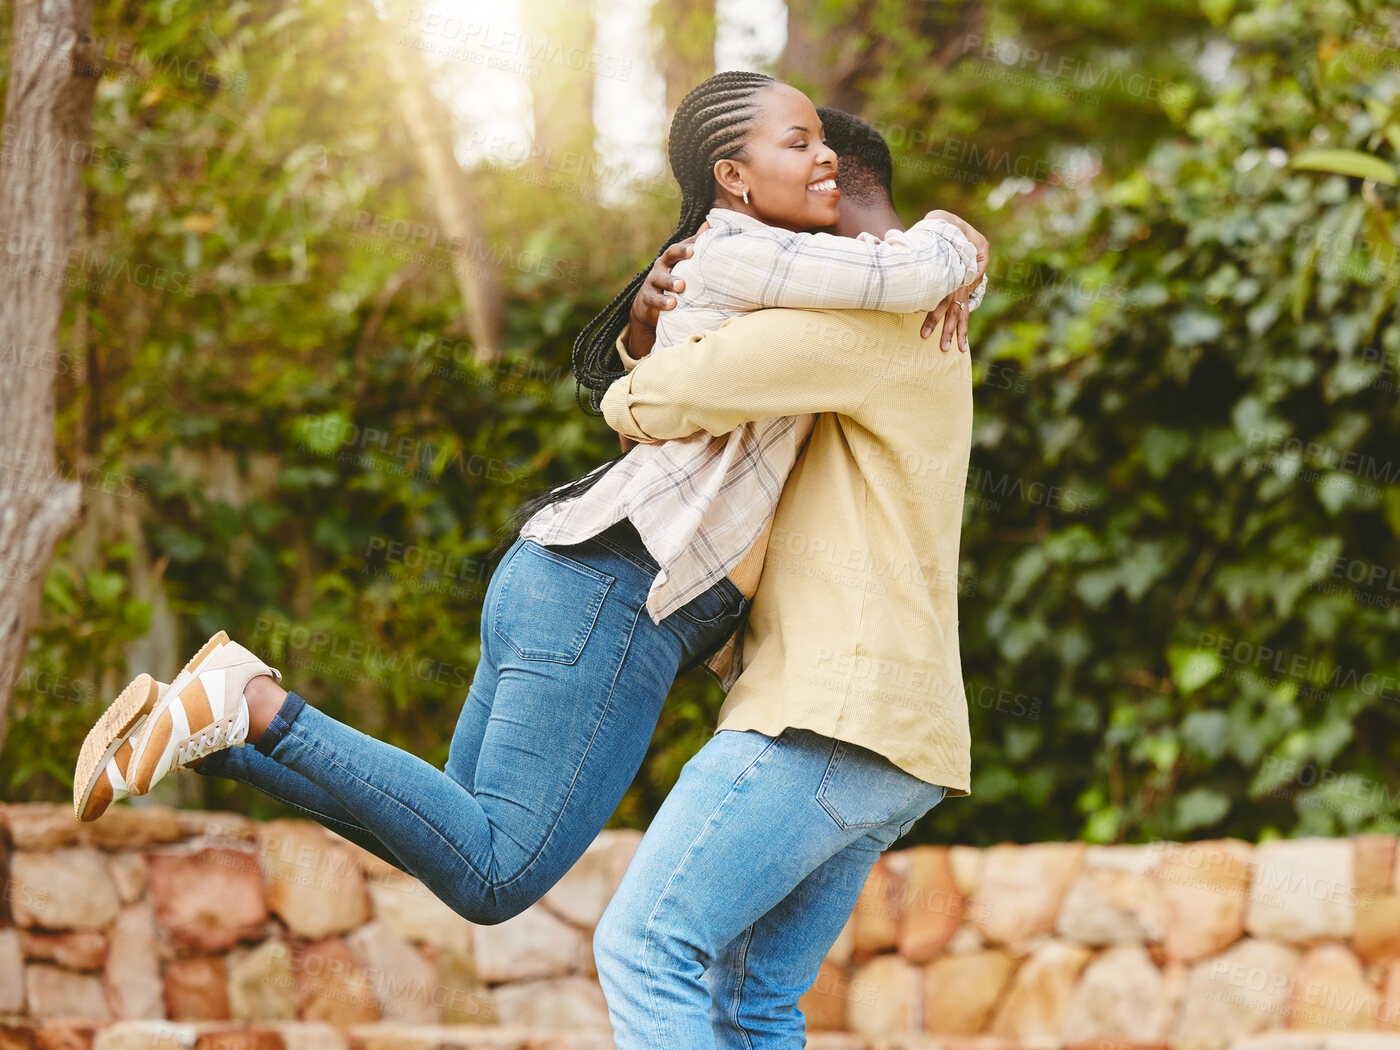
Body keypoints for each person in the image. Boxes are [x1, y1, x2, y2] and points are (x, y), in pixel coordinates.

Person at [70, 74, 985, 937]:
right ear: (733, 178)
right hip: (619, 591)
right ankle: (251, 702)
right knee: (500, 874)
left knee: (459, 842)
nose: (820, 163)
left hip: (565, 572)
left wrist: (646, 349)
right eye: (799, 145)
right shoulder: (763, 257)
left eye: (826, 147)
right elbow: (884, 280)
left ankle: (225, 730)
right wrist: (956, 245)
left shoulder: (743, 272)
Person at [515, 110, 980, 1050]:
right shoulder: (903, 326)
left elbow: (661, 399)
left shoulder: (860, 318)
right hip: (895, 729)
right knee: (748, 1000)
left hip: (825, 710)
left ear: (841, 215)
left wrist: (632, 360)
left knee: (640, 944)